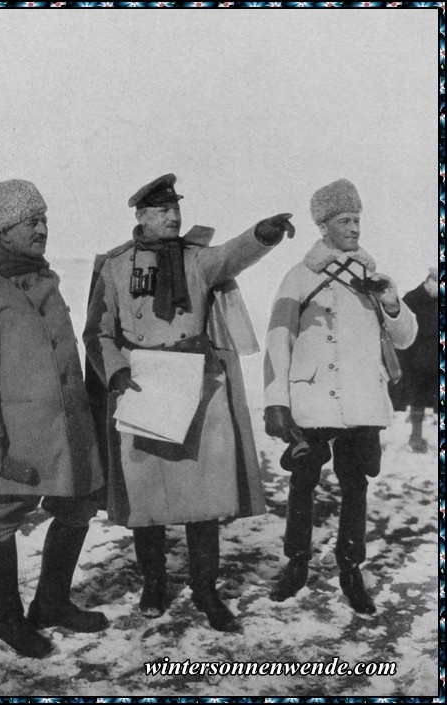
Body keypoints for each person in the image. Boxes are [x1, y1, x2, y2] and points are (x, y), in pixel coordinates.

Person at [84, 173, 294, 632]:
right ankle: (154, 584)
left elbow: (233, 254)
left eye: (176, 208)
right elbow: (97, 331)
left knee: (205, 498)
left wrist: (264, 233)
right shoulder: (116, 266)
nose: (174, 215)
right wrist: (116, 372)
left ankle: (206, 589)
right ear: (141, 216)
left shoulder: (199, 260)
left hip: (197, 387)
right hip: (142, 386)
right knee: (146, 496)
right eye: (162, 210)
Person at [0, 179, 108, 659]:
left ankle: (51, 604)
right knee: (0, 518)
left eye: (44, 219)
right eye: (30, 221)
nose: (42, 229)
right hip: (12, 437)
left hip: (64, 432)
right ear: (3, 230)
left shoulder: (43, 278)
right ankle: (8, 619)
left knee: (77, 508)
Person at [263, 179, 417, 614]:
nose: (354, 229)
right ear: (323, 225)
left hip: (362, 400)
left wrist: (391, 303)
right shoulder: (299, 276)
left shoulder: (372, 274)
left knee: (356, 485)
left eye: (357, 220)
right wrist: (277, 400)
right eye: (345, 221)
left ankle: (351, 568)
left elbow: (405, 339)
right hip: (312, 400)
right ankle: (296, 563)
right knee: (302, 484)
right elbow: (278, 338)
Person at [389, 267, 438, 452]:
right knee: (417, 403)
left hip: (437, 363)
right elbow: (404, 333)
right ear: (429, 281)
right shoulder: (412, 299)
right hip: (416, 364)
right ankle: (415, 439)